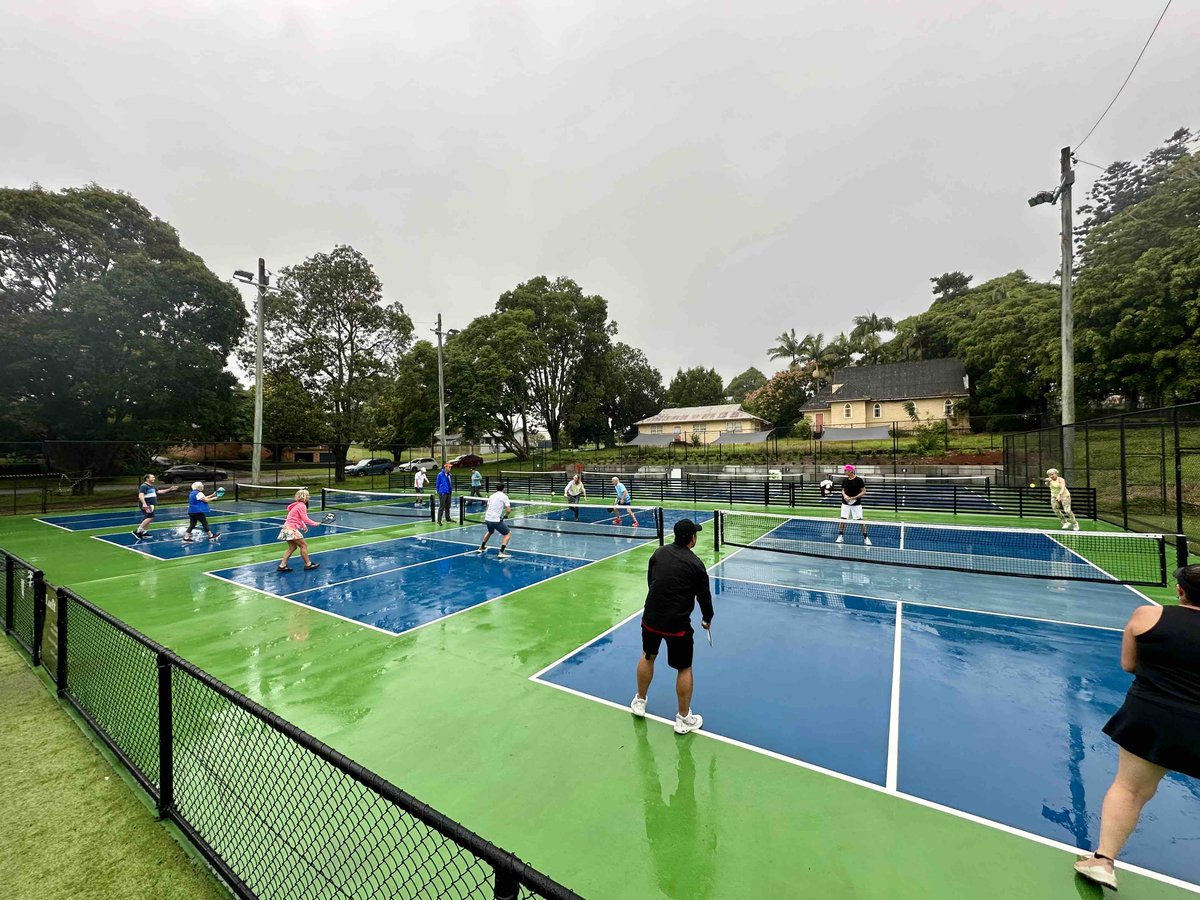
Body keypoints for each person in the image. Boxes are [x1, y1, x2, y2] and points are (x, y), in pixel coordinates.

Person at [1073, 565, 1200, 891]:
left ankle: (1102, 863)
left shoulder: (1145, 616)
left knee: (1129, 790)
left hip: (1150, 717)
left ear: (1180, 592)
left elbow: (1130, 665)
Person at [632, 519, 713, 734]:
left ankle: (639, 701)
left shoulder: (658, 553)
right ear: (692, 539)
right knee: (684, 668)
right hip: (677, 625)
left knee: (648, 655)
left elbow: (652, 581)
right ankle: (684, 718)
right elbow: (705, 598)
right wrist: (707, 618)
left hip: (650, 618)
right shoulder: (696, 564)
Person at [277, 488, 322, 572]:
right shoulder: (302, 506)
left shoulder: (296, 505)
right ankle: (308, 564)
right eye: (308, 495)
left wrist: (303, 526)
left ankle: (282, 565)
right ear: (304, 497)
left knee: (292, 547)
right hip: (291, 529)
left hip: (286, 528)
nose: (309, 497)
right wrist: (315, 523)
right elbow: (305, 518)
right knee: (303, 546)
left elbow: (297, 518)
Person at [132, 473, 176, 541]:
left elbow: (159, 491)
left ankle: (143, 532)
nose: (154, 478)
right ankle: (138, 531)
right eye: (152, 477)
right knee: (150, 517)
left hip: (151, 504)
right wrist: (144, 504)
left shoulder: (152, 486)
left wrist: (169, 489)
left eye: (154, 477)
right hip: (147, 504)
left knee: (148, 517)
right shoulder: (144, 486)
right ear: (147, 479)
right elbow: (141, 495)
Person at [836, 465, 870, 545]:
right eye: (845, 470)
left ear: (851, 471)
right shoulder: (845, 480)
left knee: (860, 521)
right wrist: (845, 496)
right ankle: (840, 536)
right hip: (845, 503)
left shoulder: (859, 480)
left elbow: (864, 491)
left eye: (846, 471)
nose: (845, 472)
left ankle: (866, 537)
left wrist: (854, 498)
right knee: (842, 519)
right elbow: (843, 490)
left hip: (856, 504)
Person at [477, 482, 513, 559]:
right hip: (495, 520)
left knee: (490, 532)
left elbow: (488, 507)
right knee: (508, 533)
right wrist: (506, 515)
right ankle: (501, 552)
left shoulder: (492, 496)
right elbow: (509, 510)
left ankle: (482, 547)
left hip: (488, 518)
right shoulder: (504, 497)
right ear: (503, 489)